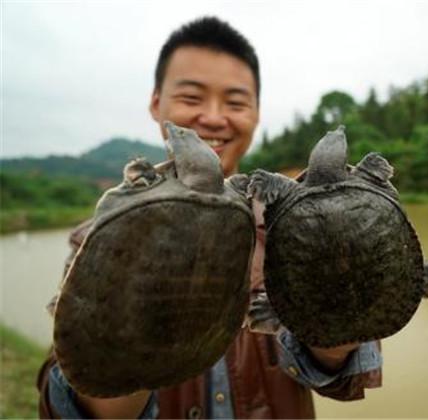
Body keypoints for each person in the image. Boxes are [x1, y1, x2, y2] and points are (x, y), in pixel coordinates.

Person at [36, 16, 382, 419]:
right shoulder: (98, 239)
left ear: (255, 112)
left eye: (235, 102)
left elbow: (343, 376)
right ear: (156, 103)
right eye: (191, 97)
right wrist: (139, 334)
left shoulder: (288, 225)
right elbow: (65, 406)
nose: (215, 118)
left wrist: (335, 323)